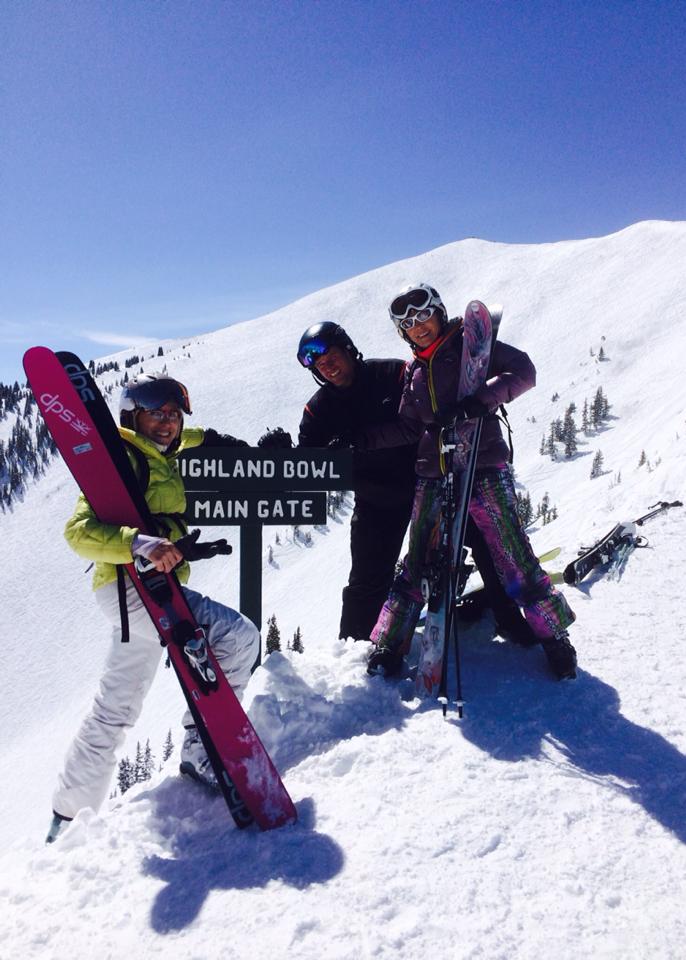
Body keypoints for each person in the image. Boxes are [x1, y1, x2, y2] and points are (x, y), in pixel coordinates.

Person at [47, 373, 259, 842]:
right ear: (132, 416)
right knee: (239, 638)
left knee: (114, 708)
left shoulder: (162, 451)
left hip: (134, 596)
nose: (167, 423)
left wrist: (221, 441)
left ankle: (65, 819)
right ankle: (203, 752)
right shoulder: (119, 458)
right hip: (135, 593)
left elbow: (188, 438)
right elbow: (76, 532)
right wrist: (141, 544)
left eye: (174, 414)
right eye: (156, 413)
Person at [357, 284, 577, 681]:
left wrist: (480, 401)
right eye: (407, 324)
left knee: (512, 555)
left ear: (438, 312)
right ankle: (389, 644)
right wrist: (366, 438)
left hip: (482, 466)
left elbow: (523, 372)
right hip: (433, 473)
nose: (418, 327)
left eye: (423, 316)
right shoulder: (414, 371)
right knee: (418, 562)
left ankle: (553, 634)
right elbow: (409, 426)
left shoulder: (470, 345)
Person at [296, 321, 417, 642]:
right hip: (376, 500)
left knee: (476, 539)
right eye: (320, 365)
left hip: (428, 485)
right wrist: (284, 453)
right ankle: (353, 651)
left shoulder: (393, 374)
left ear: (348, 349)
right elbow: (308, 463)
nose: (328, 367)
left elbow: (425, 418)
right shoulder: (319, 408)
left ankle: (509, 609)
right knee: (366, 581)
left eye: (331, 356)